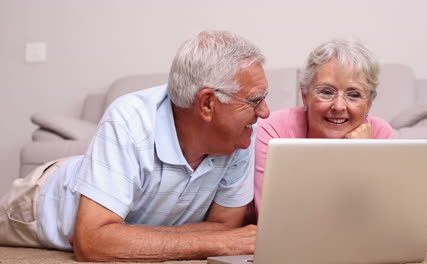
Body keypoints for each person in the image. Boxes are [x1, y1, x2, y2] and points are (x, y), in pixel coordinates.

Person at [0, 30, 271, 262]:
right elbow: (92, 242)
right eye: (254, 100)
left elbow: (225, 226)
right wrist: (217, 242)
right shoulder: (130, 118)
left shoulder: (242, 134)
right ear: (208, 104)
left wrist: (127, 235)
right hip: (40, 201)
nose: (265, 112)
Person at [253, 39, 394, 217]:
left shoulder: (380, 133)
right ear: (305, 96)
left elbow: (382, 216)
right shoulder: (272, 129)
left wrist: (362, 155)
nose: (339, 106)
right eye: (326, 92)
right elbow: (274, 216)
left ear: (370, 103)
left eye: (354, 95)